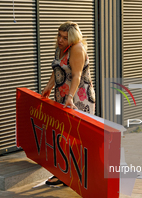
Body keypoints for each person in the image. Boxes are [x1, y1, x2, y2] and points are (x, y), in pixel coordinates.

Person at [41, 21, 96, 185]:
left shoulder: (77, 49)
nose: (60, 40)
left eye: (64, 37)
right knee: (61, 134)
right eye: (59, 35)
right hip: (63, 95)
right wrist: (48, 87)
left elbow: (77, 75)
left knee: (73, 136)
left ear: (72, 38)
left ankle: (72, 174)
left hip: (78, 98)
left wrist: (70, 97)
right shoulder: (60, 49)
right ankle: (64, 173)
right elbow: (57, 69)